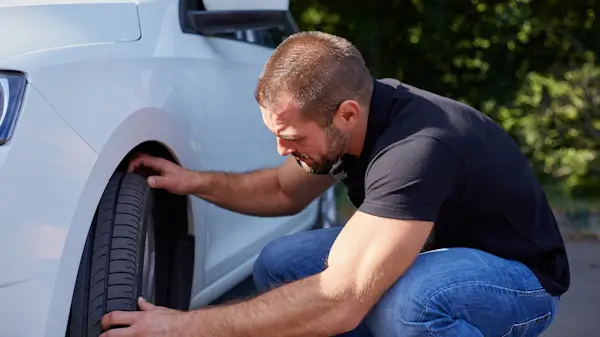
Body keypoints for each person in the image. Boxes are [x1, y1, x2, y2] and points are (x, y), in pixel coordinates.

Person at [100, 31, 570, 337]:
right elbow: (283, 191)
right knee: (281, 262)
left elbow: (338, 301)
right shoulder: (354, 119)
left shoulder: (418, 148)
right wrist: (193, 180)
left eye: (291, 137)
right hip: (437, 248)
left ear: (346, 113)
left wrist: (185, 328)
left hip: (518, 281)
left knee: (411, 305)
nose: (283, 149)